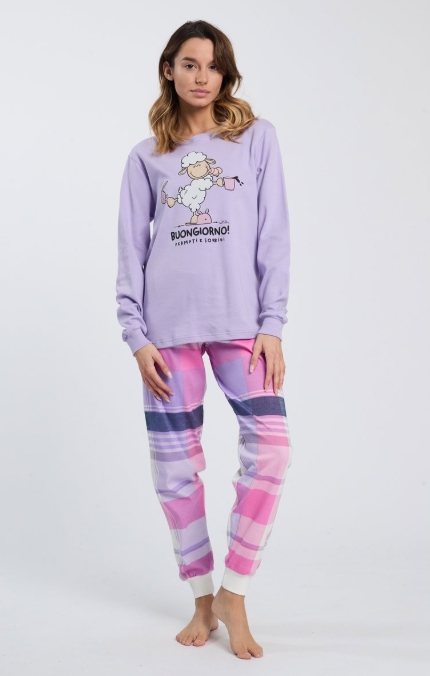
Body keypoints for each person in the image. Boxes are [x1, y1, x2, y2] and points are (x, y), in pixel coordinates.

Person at [115, 19, 294, 660]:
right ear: (170, 70)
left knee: (272, 452)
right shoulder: (146, 157)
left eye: (213, 66)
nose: (202, 76)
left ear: (226, 74)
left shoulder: (255, 139)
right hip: (166, 335)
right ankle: (200, 597)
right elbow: (131, 251)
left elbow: (274, 235)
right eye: (190, 64)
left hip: (242, 327)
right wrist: (136, 336)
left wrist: (272, 325)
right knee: (175, 470)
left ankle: (233, 594)